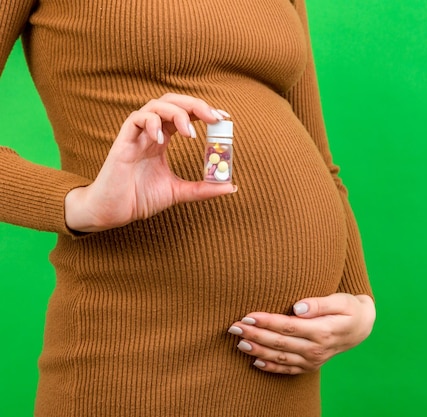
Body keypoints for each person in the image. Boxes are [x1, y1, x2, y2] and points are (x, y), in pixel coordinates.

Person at [0, 0, 376, 416]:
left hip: (285, 369)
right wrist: (78, 203)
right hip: (139, 353)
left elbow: (323, 162)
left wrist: (358, 301)